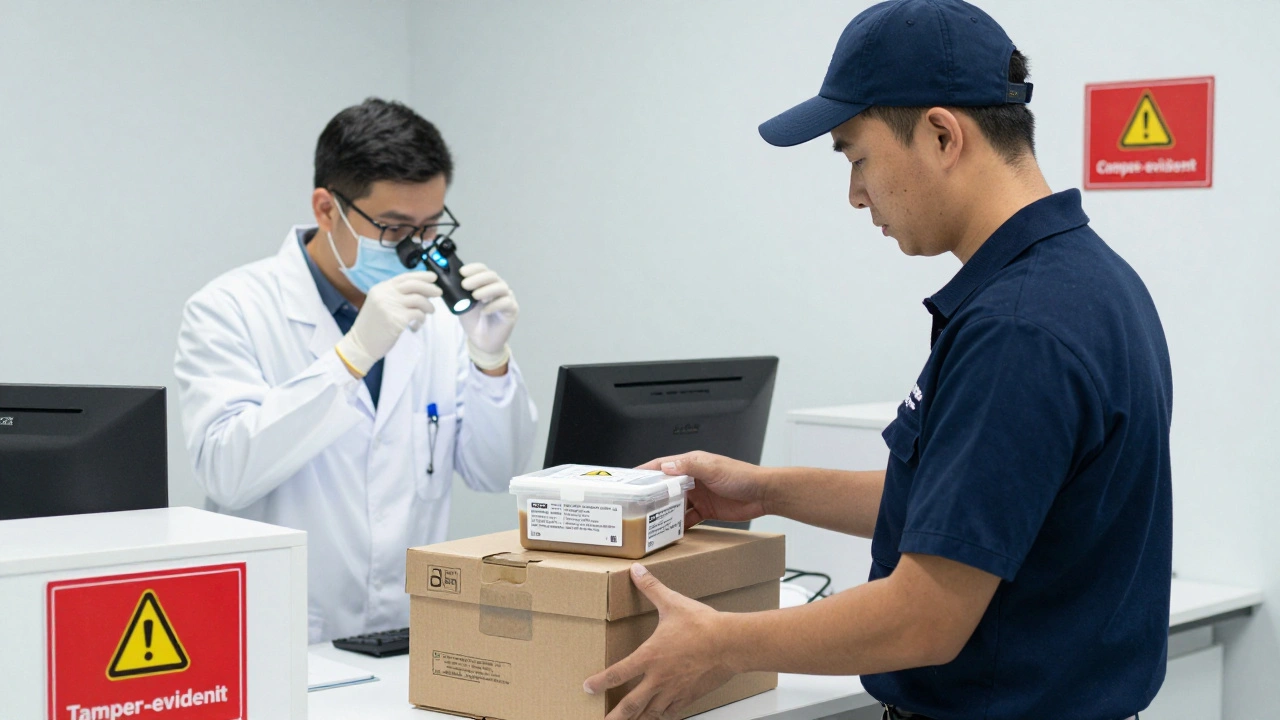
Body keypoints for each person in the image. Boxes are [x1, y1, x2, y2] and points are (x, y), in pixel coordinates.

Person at [582, 2, 1171, 719]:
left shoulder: (1018, 330)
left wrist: (720, 643)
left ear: (941, 134)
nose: (856, 194)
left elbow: (923, 617)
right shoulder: (1089, 280)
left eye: (857, 157)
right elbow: (961, 508)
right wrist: (766, 490)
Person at [175, 98, 537, 643]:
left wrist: (491, 362)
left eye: (429, 227)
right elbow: (228, 471)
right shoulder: (230, 308)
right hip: (277, 633)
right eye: (392, 228)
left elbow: (495, 470)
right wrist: (350, 359)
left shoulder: (439, 319)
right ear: (327, 208)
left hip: (407, 634)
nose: (414, 249)